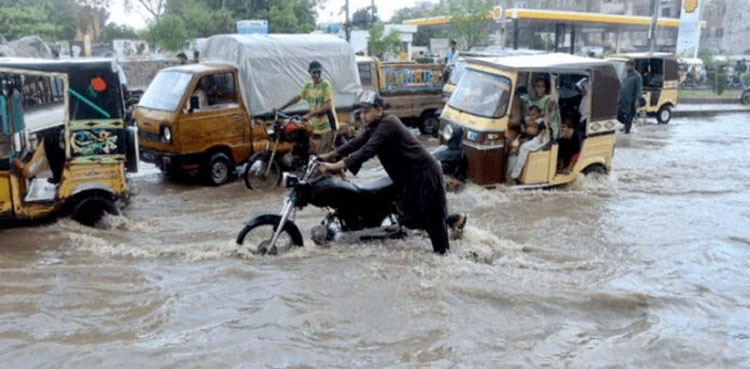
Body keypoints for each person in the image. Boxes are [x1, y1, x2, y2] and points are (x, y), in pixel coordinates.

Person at [317, 91, 467, 255]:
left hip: (425, 175)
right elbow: (356, 144)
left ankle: (454, 261)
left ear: (379, 110)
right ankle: (454, 220)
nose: (363, 116)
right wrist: (328, 156)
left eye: (367, 111)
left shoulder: (389, 123)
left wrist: (335, 166)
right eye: (361, 112)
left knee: (438, 240)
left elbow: (367, 150)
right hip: (408, 180)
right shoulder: (373, 127)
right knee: (408, 219)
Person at [274, 61, 338, 154]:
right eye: (314, 73)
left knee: (322, 154)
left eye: (318, 72)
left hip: (327, 125)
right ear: (310, 73)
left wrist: (309, 115)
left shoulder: (326, 85)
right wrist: (281, 108)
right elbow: (297, 98)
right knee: (311, 151)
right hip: (315, 125)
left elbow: (327, 106)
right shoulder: (309, 85)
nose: (316, 75)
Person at [507, 105, 550, 184]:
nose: (531, 116)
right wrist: (522, 128)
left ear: (538, 114)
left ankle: (515, 175)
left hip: (534, 138)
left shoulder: (540, 121)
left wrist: (540, 137)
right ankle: (509, 173)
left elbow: (543, 130)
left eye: (533, 115)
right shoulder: (526, 119)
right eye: (530, 114)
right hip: (525, 136)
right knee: (513, 148)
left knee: (523, 148)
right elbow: (522, 123)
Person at [617, 59, 642, 134]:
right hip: (622, 100)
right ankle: (627, 124)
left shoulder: (637, 77)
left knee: (629, 116)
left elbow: (639, 89)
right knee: (618, 114)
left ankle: (627, 130)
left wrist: (637, 100)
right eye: (626, 66)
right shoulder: (625, 75)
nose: (626, 67)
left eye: (628, 66)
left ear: (632, 66)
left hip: (631, 102)